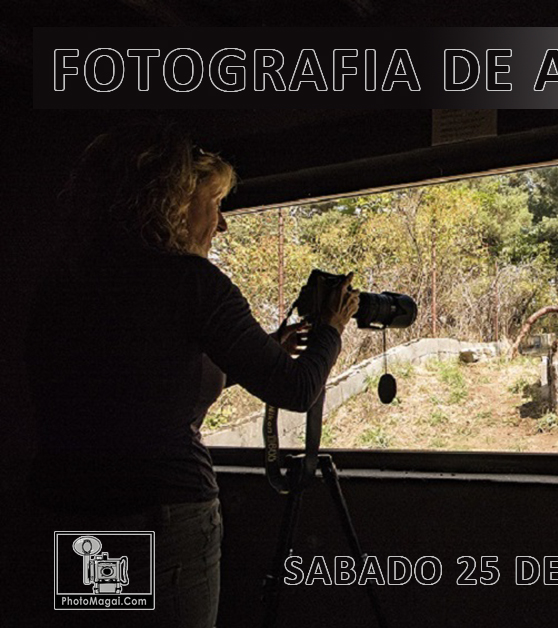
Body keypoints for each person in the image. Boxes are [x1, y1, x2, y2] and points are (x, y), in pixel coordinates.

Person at [24, 121, 359, 627]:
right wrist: (333, 326)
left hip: (71, 510)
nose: (220, 224)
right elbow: (297, 388)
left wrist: (263, 347)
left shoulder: (61, 283)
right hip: (162, 512)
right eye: (215, 203)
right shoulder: (191, 283)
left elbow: (145, 385)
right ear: (173, 202)